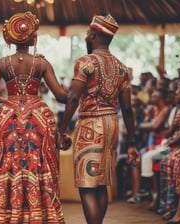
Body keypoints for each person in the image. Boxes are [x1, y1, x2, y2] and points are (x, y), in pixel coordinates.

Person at [0, 11, 68, 223]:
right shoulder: (42, 64)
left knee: (8, 162)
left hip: (8, 117)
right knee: (37, 164)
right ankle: (40, 213)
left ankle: (8, 214)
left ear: (10, 38)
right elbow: (61, 95)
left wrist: (4, 100)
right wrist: (79, 93)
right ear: (33, 38)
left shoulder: (2, 63)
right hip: (38, 117)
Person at [58, 14, 140, 224]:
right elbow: (128, 109)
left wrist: (62, 130)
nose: (86, 35)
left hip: (90, 125)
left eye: (88, 32)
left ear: (93, 35)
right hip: (112, 123)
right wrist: (132, 142)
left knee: (86, 185)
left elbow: (74, 97)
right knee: (101, 182)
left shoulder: (85, 62)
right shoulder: (122, 67)